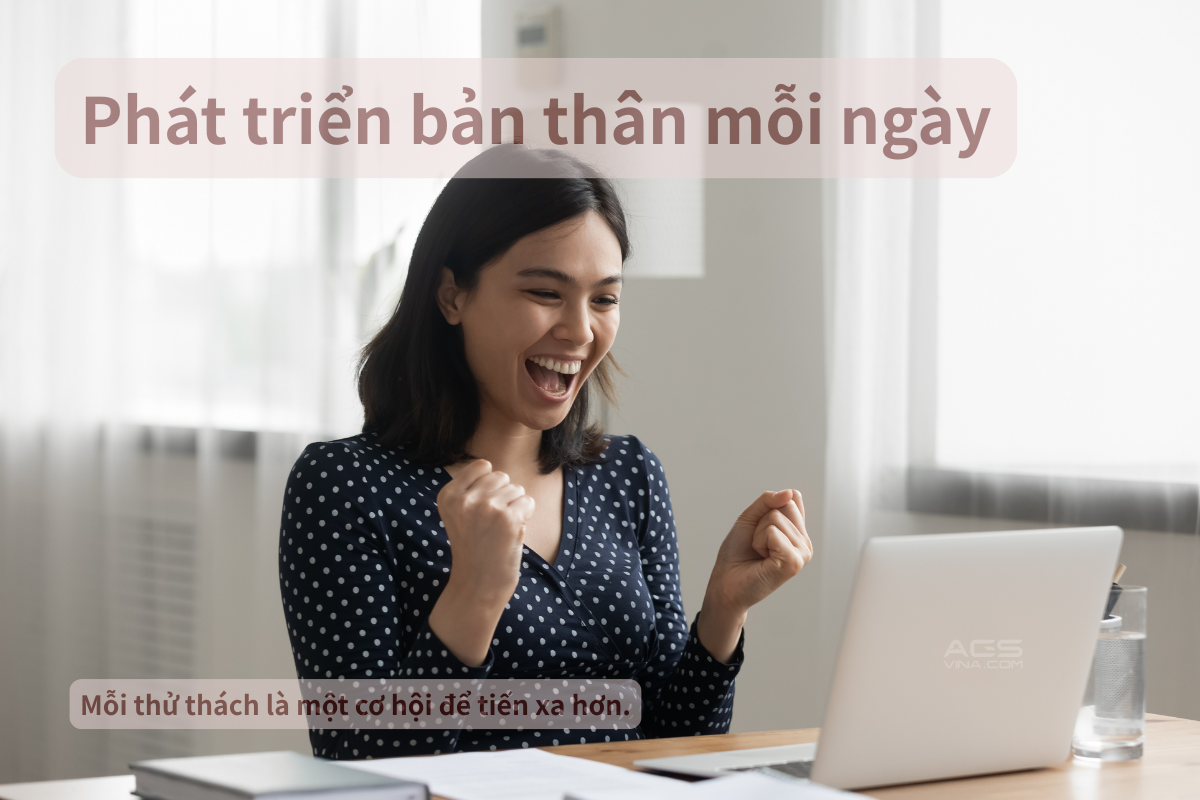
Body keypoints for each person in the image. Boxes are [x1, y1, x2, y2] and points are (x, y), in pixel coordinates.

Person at [278, 145, 813, 760]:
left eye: (604, 299)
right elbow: (358, 760)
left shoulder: (626, 473)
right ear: (452, 295)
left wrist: (723, 608)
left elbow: (675, 737)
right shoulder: (344, 486)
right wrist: (474, 593)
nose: (581, 330)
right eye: (544, 292)